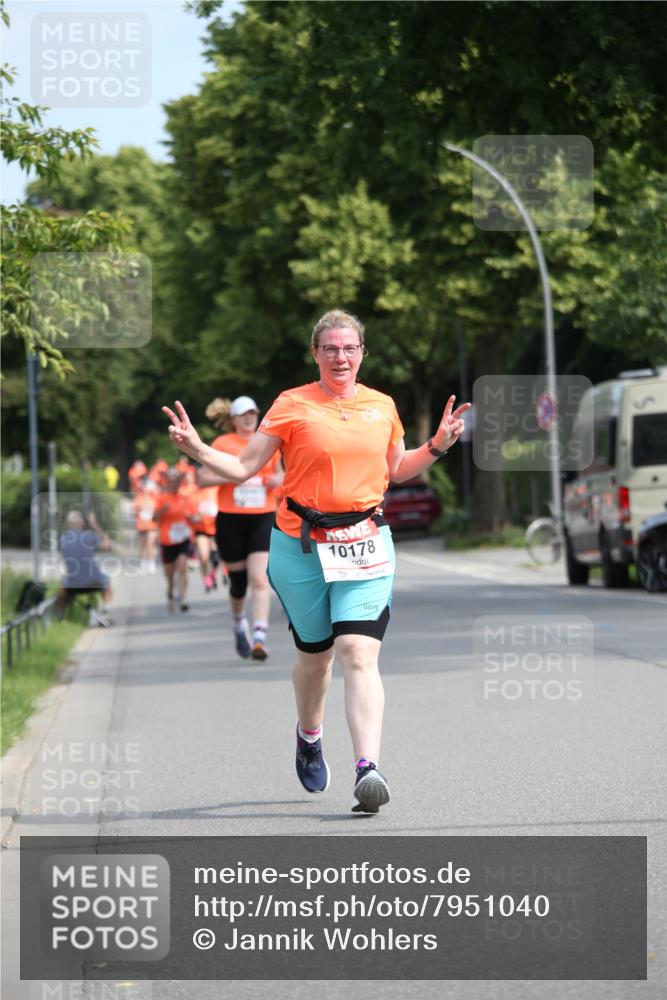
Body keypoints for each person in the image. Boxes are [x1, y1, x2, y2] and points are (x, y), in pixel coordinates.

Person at [163, 309, 469, 812]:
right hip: (300, 546)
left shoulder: (382, 405)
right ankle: (309, 734)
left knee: (358, 651)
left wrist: (436, 446)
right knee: (316, 657)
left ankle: (368, 769)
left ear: (362, 352)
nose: (340, 357)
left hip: (366, 541)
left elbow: (396, 468)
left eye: (349, 348)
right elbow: (242, 467)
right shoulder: (291, 404)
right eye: (330, 348)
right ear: (316, 354)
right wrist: (197, 447)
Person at [197, 395, 283, 661]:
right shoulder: (223, 443)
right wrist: (234, 476)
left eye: (253, 412)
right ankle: (238, 625)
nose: (249, 417)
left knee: (259, 579)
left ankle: (259, 637)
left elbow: (282, 474)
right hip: (231, 519)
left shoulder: (269, 441)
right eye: (243, 414)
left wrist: (275, 480)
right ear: (233, 419)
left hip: (262, 516)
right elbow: (202, 478)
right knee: (238, 583)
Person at [58, 510, 113, 626]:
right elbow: (107, 546)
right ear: (83, 523)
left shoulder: (62, 539)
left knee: (63, 583)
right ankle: (106, 612)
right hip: (95, 582)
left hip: (72, 585)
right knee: (107, 580)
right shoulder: (89, 536)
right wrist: (95, 524)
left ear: (68, 525)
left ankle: (60, 616)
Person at [154, 468, 195, 613]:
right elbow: (154, 519)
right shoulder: (162, 499)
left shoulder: (183, 498)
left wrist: (193, 518)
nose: (175, 485)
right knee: (170, 574)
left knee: (183, 568)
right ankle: (171, 593)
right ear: (167, 483)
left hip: (183, 538)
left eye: (177, 482)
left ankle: (183, 598)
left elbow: (189, 514)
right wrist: (162, 512)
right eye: (172, 482)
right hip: (167, 540)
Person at [189, 481, 220, 591]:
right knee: (203, 556)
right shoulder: (194, 494)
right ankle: (206, 578)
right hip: (201, 529)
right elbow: (190, 514)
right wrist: (196, 516)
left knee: (215, 558)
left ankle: (213, 574)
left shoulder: (216, 490)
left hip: (215, 529)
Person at [133, 477, 159, 573]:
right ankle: (143, 563)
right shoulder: (139, 498)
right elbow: (135, 510)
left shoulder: (155, 497)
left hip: (152, 524)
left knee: (150, 544)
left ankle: (151, 563)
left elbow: (158, 509)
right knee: (143, 545)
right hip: (141, 524)